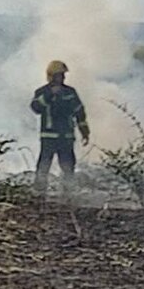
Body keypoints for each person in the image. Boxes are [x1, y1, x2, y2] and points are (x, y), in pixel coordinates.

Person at [30, 60, 90, 192]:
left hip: (66, 136)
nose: (62, 78)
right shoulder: (42, 92)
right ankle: (39, 193)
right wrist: (50, 95)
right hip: (49, 137)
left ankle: (68, 193)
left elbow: (79, 111)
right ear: (51, 76)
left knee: (68, 167)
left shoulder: (70, 92)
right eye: (59, 75)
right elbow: (35, 108)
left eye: (63, 75)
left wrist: (84, 131)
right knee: (44, 166)